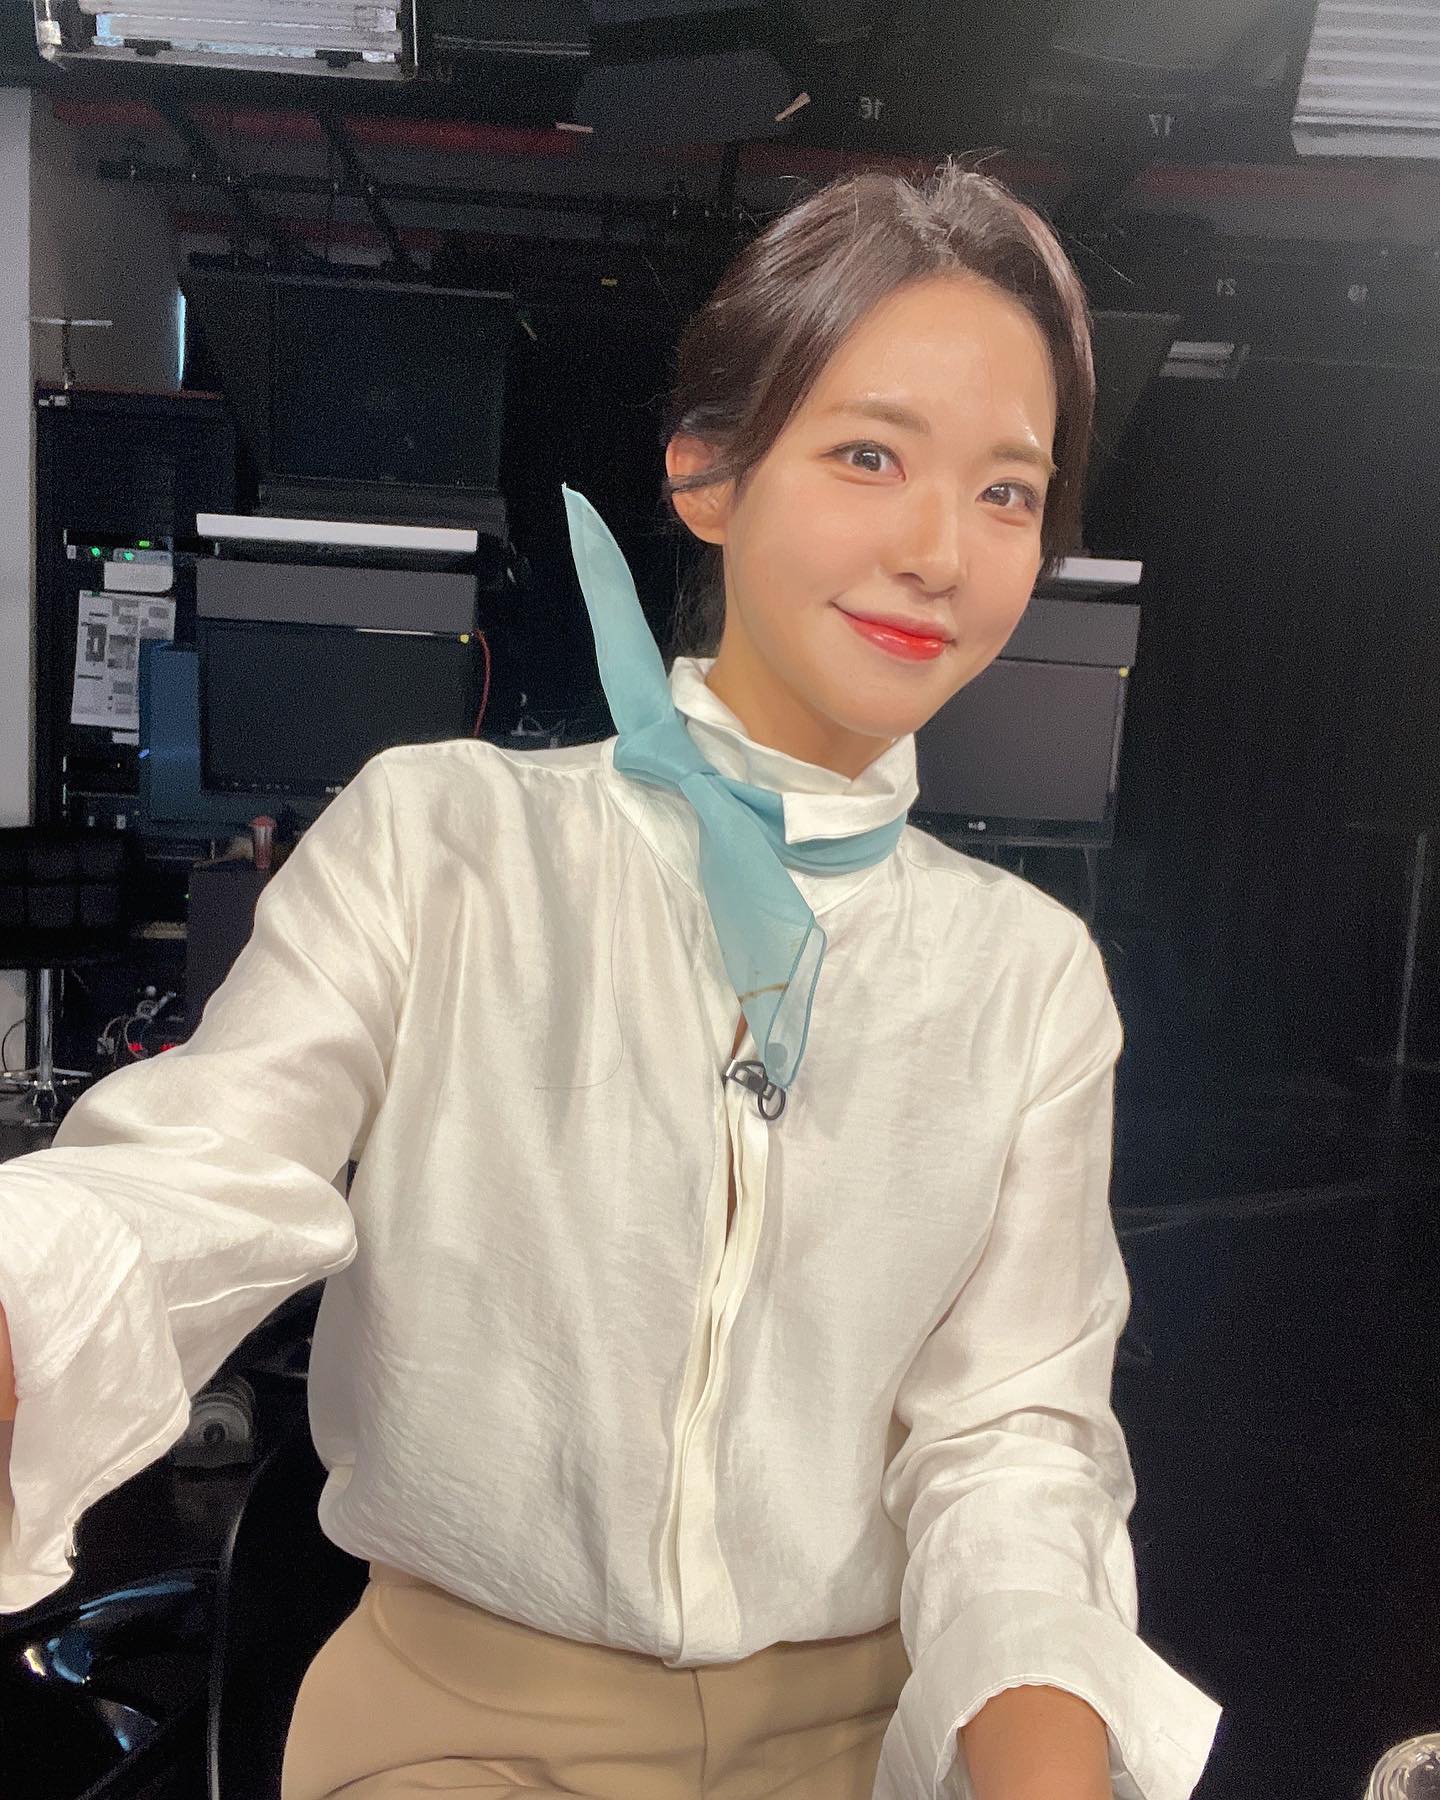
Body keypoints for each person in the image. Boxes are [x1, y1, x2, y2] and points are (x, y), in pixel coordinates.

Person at [0, 161, 1223, 1800]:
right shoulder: (444, 844)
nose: (942, 551)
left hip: (862, 1740)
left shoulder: (1027, 978)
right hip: (468, 1727)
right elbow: (200, 1176)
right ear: (708, 471)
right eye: (870, 455)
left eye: (1008, 491)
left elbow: (1012, 1436)